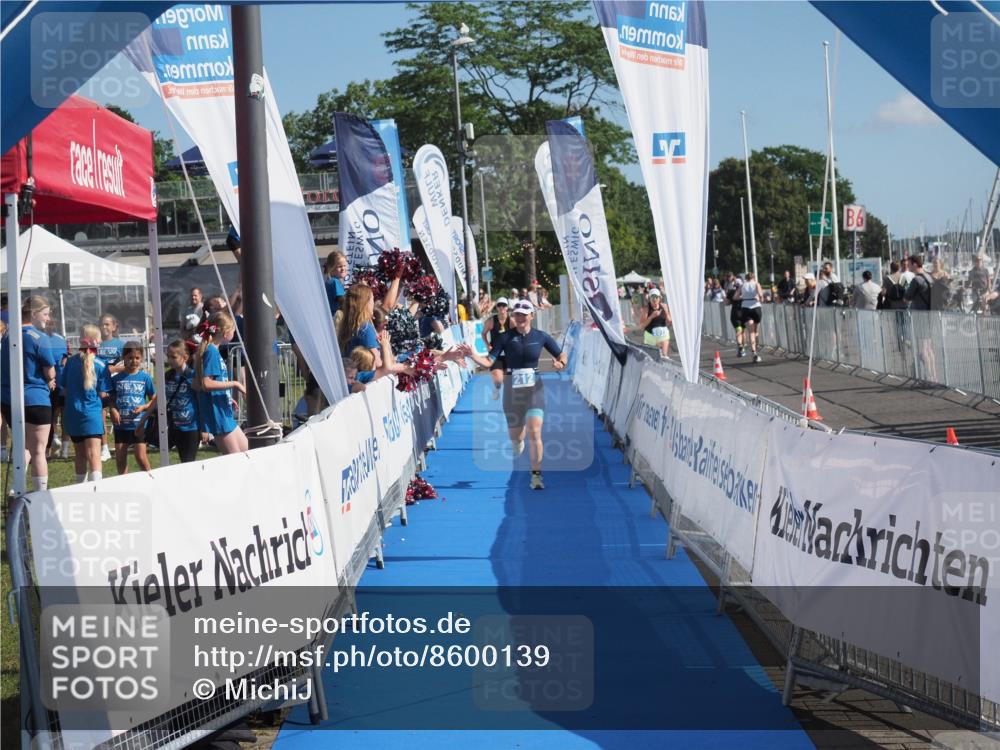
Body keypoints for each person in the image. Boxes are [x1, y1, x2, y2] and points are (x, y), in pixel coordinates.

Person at [465, 299, 567, 491]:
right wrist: (472, 355)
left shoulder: (541, 336)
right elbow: (489, 362)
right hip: (512, 391)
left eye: (524, 313)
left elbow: (562, 355)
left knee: (535, 431)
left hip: (534, 390)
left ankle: (536, 476)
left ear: (532, 316)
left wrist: (560, 363)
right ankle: (517, 440)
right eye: (517, 314)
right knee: (517, 436)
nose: (520, 317)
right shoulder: (505, 338)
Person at [0, 296, 56, 491]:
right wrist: (51, 379)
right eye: (46, 314)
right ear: (33, 313)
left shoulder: (8, 336)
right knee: (38, 451)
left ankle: (16, 490)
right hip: (35, 399)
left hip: (10, 400)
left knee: (22, 446)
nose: (48, 319)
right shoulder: (39, 338)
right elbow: (50, 371)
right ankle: (40, 495)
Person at [60, 326, 111, 483]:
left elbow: (65, 388)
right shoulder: (101, 365)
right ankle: (96, 490)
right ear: (96, 341)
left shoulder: (70, 363)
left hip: (73, 413)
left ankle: (80, 488)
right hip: (92, 414)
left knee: (80, 455)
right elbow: (103, 393)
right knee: (94, 454)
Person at [193, 311, 249, 454]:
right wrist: (235, 384)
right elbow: (206, 383)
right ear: (225, 332)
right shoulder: (211, 351)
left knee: (247, 451)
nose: (235, 333)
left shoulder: (212, 351)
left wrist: (227, 396)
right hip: (218, 414)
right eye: (233, 330)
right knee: (237, 461)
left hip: (224, 411)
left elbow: (198, 383)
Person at [109, 342, 156, 475]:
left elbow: (155, 399)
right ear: (124, 358)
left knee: (141, 458)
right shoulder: (116, 379)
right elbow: (111, 399)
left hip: (139, 425)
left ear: (141, 359)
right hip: (120, 426)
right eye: (130, 358)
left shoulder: (145, 378)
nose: (134, 361)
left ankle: (151, 481)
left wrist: (144, 407)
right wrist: (113, 409)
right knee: (120, 459)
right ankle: (124, 486)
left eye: (137, 358)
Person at [163, 340, 206, 463]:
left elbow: (201, 401)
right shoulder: (168, 376)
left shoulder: (193, 376)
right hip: (175, 426)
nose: (170, 360)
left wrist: (204, 428)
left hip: (192, 428)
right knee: (183, 461)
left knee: (188, 461)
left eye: (173, 357)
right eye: (168, 356)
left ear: (185, 357)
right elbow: (160, 398)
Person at [97, 313, 125, 462]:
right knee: (100, 417)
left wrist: (113, 369)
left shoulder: (120, 344)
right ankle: (104, 448)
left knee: (117, 416)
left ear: (114, 327)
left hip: (116, 386)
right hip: (100, 386)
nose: (104, 327)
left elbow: (128, 365)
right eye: (102, 324)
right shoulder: (97, 344)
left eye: (107, 324)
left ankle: (122, 444)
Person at [337, 284, 382, 368]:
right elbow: (377, 363)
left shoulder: (348, 326)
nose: (373, 303)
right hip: (363, 377)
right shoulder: (365, 328)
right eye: (372, 299)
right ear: (366, 303)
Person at [481, 297, 511, 400]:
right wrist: (487, 345)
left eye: (504, 305)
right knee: (498, 380)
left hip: (508, 353)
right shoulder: (491, 321)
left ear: (507, 307)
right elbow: (483, 333)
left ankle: (508, 402)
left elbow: (517, 334)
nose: (502, 307)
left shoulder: (511, 321)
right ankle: (496, 388)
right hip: (495, 353)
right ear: (496, 307)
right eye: (499, 305)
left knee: (508, 381)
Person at [736, 272, 763, 363]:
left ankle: (754, 352)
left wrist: (744, 297)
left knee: (751, 332)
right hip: (756, 306)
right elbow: (761, 295)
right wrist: (760, 299)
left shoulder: (742, 285)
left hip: (745, 308)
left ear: (746, 278)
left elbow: (735, 297)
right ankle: (757, 350)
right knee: (756, 331)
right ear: (754, 277)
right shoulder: (756, 284)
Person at [640, 288, 672, 360]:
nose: (654, 299)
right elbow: (642, 326)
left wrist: (666, 312)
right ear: (649, 298)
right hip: (650, 337)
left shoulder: (664, 306)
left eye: (656, 297)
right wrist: (651, 317)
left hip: (663, 335)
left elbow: (669, 322)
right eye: (652, 297)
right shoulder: (646, 309)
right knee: (650, 359)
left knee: (664, 357)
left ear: (660, 298)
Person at [723, 272, 746, 354]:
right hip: (744, 313)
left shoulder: (731, 292)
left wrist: (726, 297)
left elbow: (726, 303)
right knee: (743, 331)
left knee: (738, 330)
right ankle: (742, 348)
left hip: (735, 313)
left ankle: (740, 345)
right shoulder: (745, 292)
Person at [325, 251, 348, 317]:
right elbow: (343, 301)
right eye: (339, 266)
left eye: (344, 265)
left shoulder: (332, 281)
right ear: (331, 268)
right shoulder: (334, 282)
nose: (343, 268)